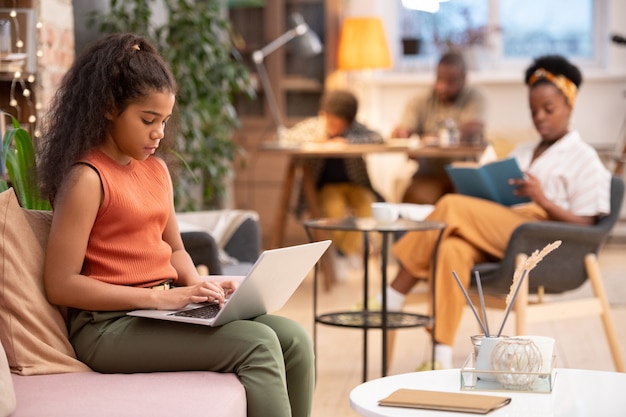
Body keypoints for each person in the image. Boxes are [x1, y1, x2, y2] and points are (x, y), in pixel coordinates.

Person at [39, 33, 314, 417]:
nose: (160, 133)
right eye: (148, 120)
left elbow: (176, 249)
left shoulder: (157, 171)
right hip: (107, 329)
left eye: (165, 121)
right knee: (258, 344)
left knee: (294, 338)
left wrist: (196, 284)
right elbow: (60, 283)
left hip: (160, 311)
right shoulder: (87, 178)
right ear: (107, 107)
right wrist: (157, 298)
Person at [382, 55, 611, 370]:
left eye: (549, 109)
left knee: (450, 205)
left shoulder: (585, 159)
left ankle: (394, 292)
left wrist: (544, 201)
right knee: (452, 248)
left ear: (570, 106)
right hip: (503, 229)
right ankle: (440, 356)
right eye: (534, 111)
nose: (540, 118)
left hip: (541, 238)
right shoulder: (524, 151)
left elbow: (588, 224)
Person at [282, 89, 384, 276]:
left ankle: (343, 251)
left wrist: (347, 142)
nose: (332, 125)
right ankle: (347, 251)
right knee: (334, 209)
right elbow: (286, 137)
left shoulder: (354, 130)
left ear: (349, 122)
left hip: (355, 186)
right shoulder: (314, 127)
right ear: (323, 114)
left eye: (338, 123)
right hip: (326, 187)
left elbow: (378, 137)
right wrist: (317, 141)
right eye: (329, 120)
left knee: (367, 207)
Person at [391, 51, 486, 205]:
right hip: (429, 175)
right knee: (414, 198)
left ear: (463, 79)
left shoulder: (475, 98)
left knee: (465, 205)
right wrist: (401, 134)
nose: (443, 87)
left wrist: (433, 138)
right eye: (439, 79)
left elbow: (473, 127)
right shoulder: (420, 100)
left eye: (451, 81)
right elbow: (405, 130)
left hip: (464, 176)